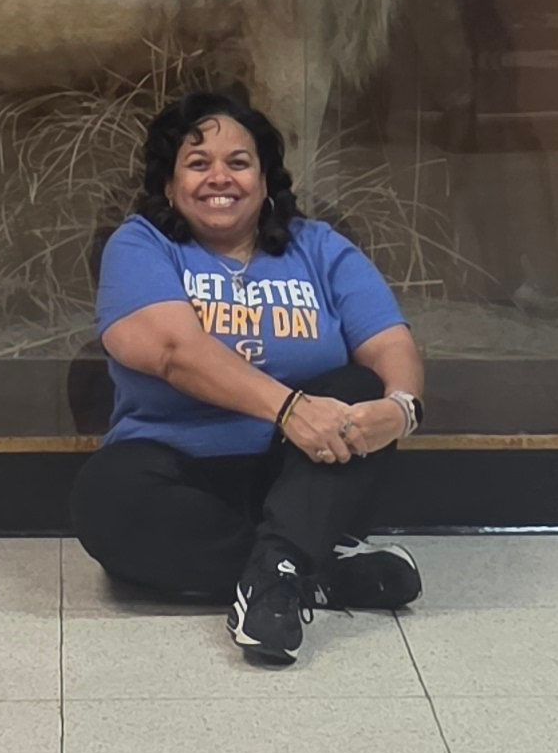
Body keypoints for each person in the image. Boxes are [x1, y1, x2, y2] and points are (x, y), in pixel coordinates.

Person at [71, 90, 426, 668]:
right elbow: (173, 352)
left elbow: (390, 343)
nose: (220, 177)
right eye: (197, 163)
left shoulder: (319, 247)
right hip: (177, 471)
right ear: (169, 185)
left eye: (239, 162)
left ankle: (279, 566)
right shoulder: (140, 245)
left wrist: (401, 409)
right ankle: (306, 572)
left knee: (360, 388)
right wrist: (289, 408)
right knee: (105, 497)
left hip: (302, 472)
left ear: (265, 181)